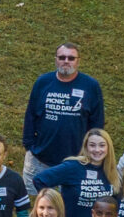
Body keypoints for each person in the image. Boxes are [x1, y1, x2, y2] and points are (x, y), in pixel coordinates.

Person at [21, 43, 103, 172]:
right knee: (35, 193)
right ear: (56, 60)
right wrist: (29, 146)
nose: (66, 61)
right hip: (39, 161)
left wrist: (91, 152)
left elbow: (97, 123)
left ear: (78, 61)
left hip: (76, 162)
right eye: (62, 57)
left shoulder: (90, 86)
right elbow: (30, 115)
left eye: (71, 58)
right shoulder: (43, 82)